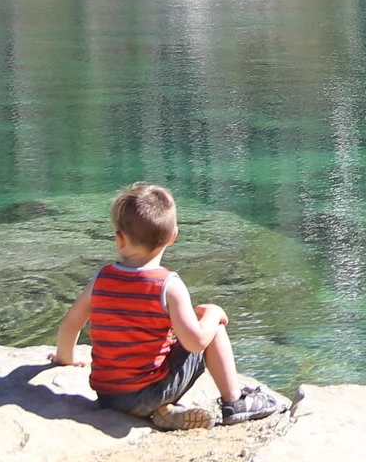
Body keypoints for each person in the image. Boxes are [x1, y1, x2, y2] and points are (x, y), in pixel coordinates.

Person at [52, 182, 287, 430]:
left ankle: (165, 414)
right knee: (212, 329)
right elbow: (195, 343)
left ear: (120, 240)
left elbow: (69, 326)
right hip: (148, 394)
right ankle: (235, 402)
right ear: (173, 236)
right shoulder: (168, 285)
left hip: (108, 397)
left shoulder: (101, 278)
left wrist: (64, 359)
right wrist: (214, 314)